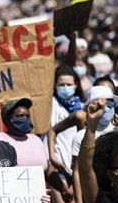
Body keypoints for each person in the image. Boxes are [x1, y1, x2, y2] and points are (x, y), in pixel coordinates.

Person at [70, 82, 118, 203]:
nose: (106, 108)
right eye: (101, 105)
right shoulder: (80, 137)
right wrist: (79, 200)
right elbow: (77, 171)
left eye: (110, 104)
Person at [46, 64, 85, 202]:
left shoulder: (83, 107)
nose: (65, 87)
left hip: (77, 167)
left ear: (76, 85)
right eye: (61, 84)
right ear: (55, 85)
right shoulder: (50, 105)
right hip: (56, 168)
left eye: (69, 84)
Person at [0, 98, 48, 170]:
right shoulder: (0, 140)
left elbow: (47, 167)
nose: (25, 119)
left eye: (27, 116)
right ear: (7, 119)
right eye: (20, 116)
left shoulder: (36, 140)